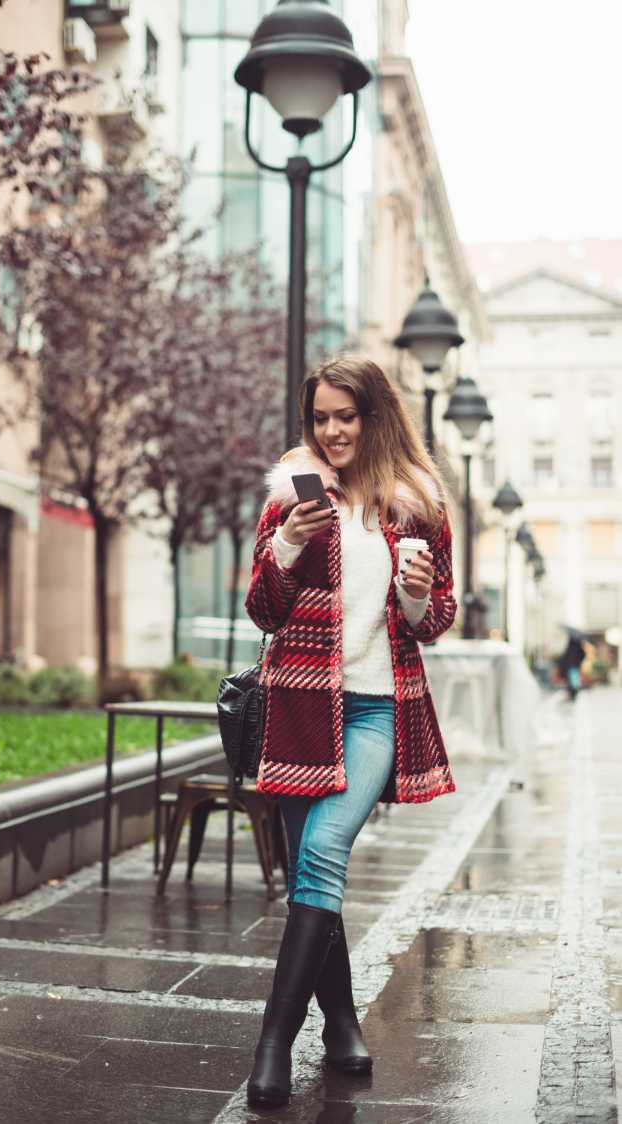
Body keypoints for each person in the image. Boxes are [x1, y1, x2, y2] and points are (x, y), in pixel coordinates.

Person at [243, 353, 457, 1110]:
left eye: (347, 415)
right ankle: (339, 1022)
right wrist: (289, 547)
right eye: (321, 417)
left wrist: (417, 594)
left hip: (375, 709)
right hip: (300, 703)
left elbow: (434, 622)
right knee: (313, 873)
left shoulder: (418, 504)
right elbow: (264, 611)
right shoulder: (293, 498)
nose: (332, 431)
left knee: (323, 854)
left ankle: (272, 1043)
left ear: (376, 416)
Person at [558, 633, 585, 700]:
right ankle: (573, 694)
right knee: (574, 681)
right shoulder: (579, 647)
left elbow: (564, 658)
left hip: (570, 667)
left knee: (571, 681)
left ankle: (572, 694)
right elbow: (582, 656)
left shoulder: (570, 648)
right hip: (575, 666)